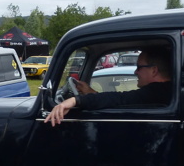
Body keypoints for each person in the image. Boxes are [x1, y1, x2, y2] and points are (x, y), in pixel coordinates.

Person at [44, 47, 172, 126]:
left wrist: (75, 100)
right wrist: (90, 92)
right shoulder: (166, 90)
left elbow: (121, 99)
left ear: (154, 70)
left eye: (139, 67)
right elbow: (119, 100)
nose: (135, 72)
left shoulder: (157, 92)